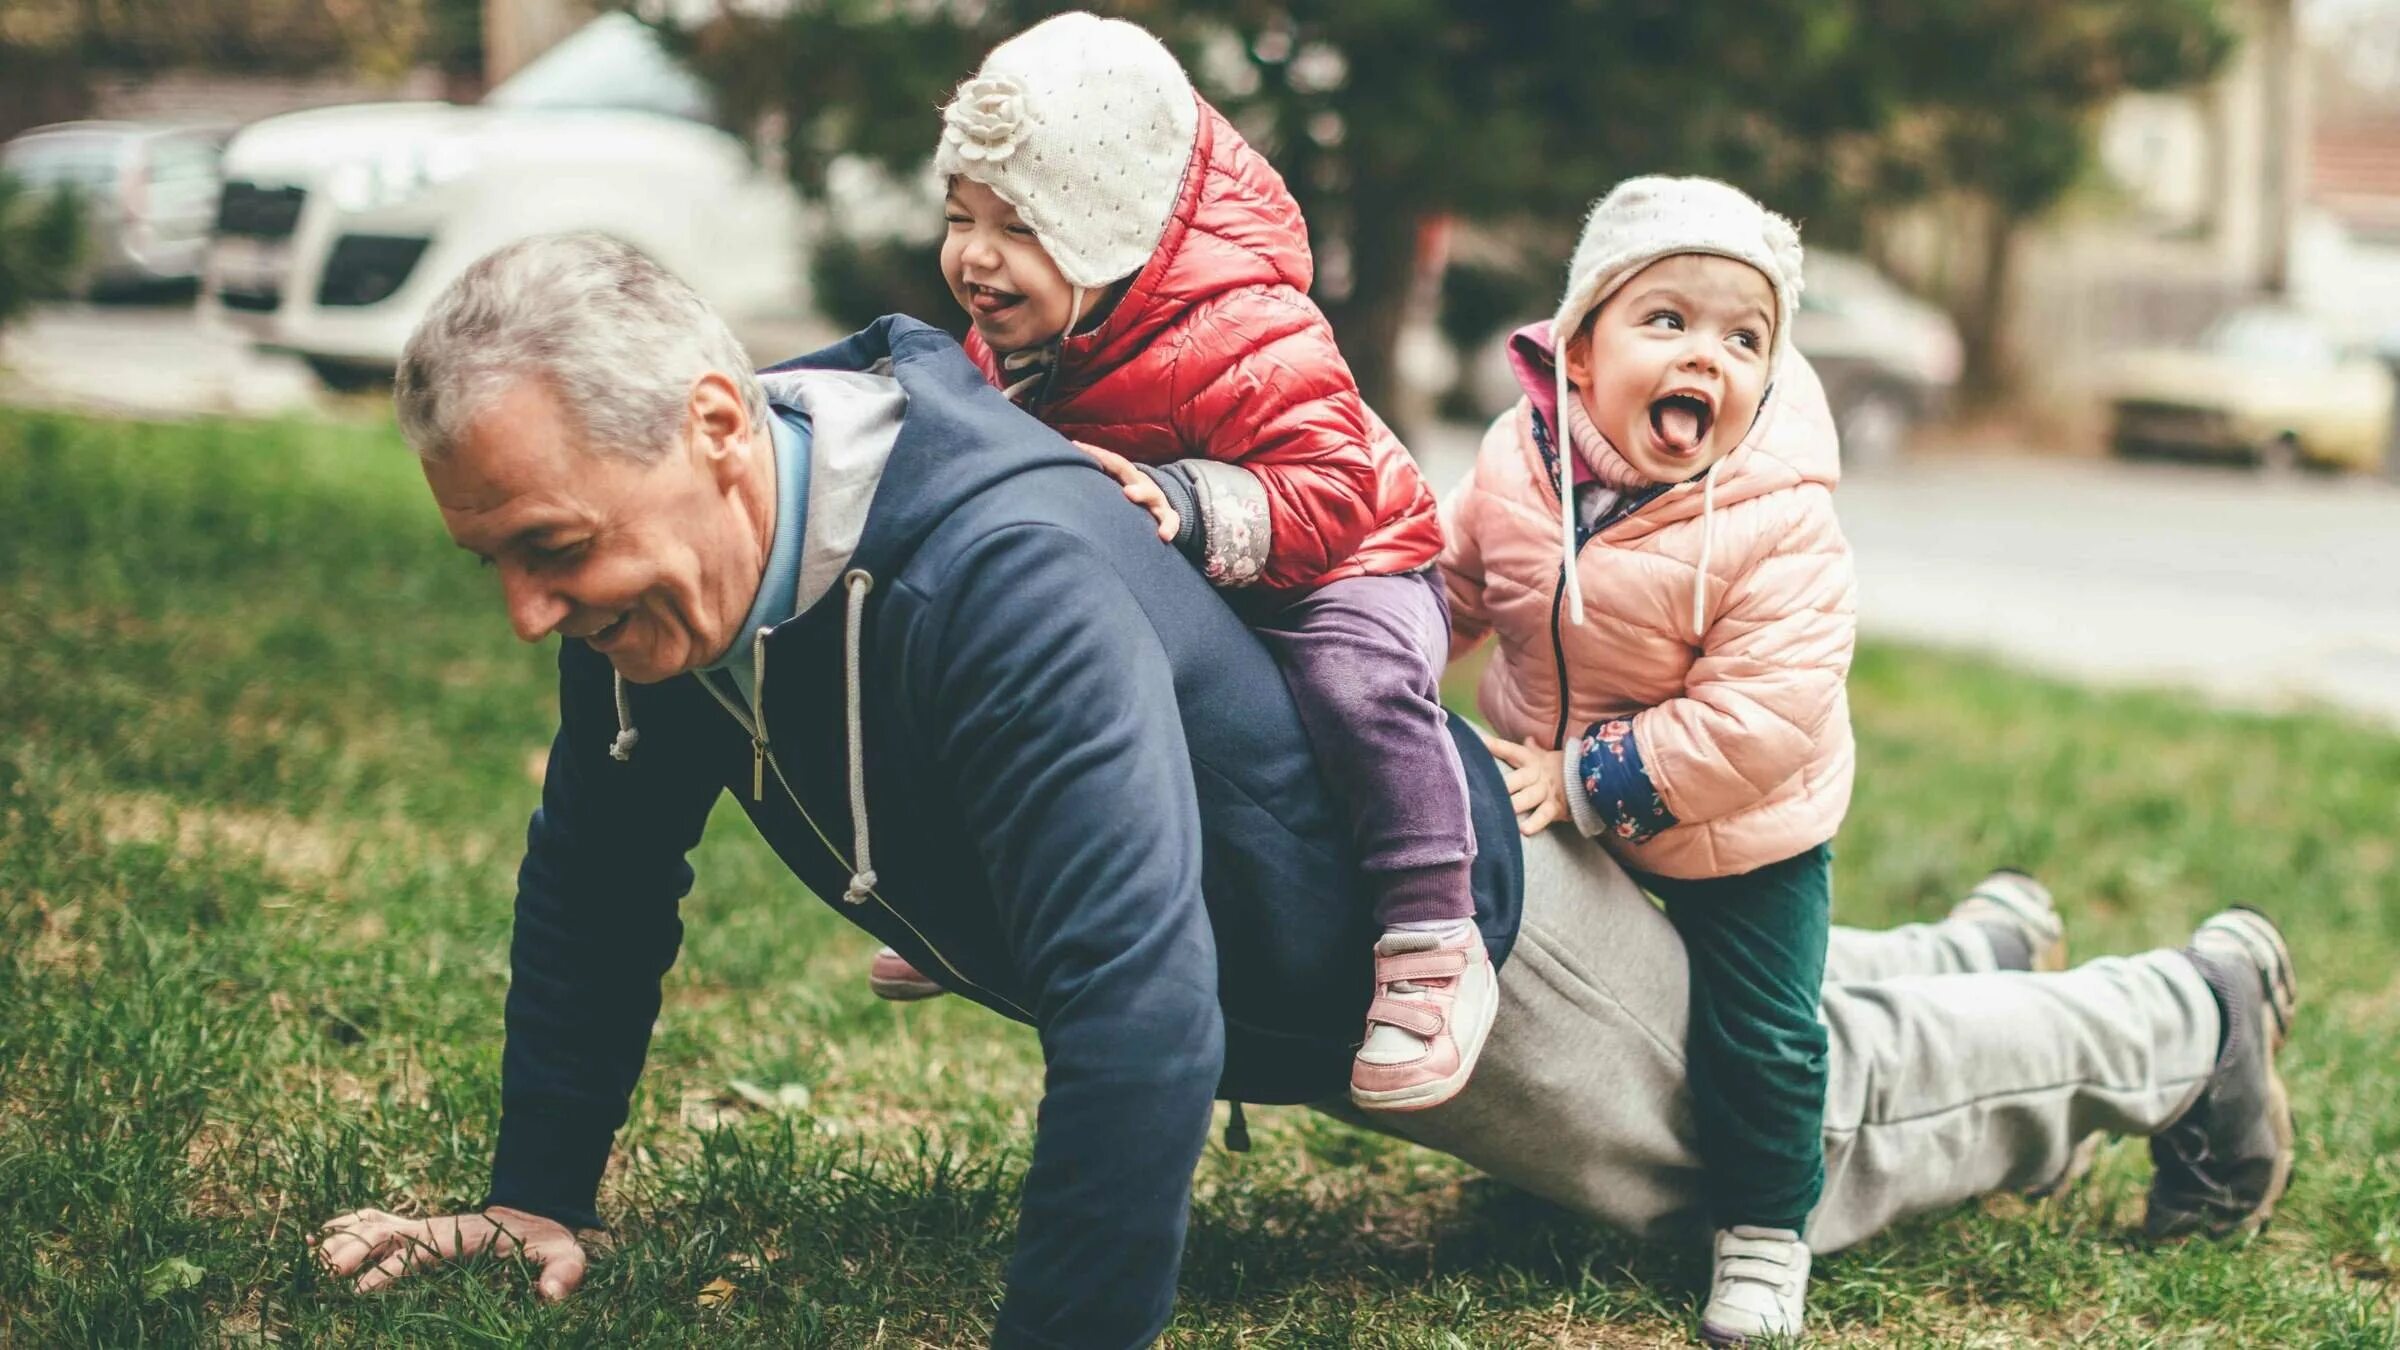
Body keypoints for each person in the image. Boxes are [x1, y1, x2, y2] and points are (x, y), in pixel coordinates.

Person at [312, 233, 2301, 1350]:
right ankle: (1961, 950)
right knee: (1773, 1028)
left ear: (721, 429)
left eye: (552, 550)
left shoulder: (981, 569)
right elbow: (598, 869)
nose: (525, 610)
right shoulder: (668, 577)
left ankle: (2185, 1021)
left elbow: (1140, 1017)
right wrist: (533, 1197)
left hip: (1436, 942)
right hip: (1330, 938)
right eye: (495, 557)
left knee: (1802, 1134)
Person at [873, 11, 1493, 1113]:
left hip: (1344, 560)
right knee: (1030, 673)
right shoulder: (1025, 338)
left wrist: (1195, 502)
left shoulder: (1253, 329)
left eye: (1018, 226)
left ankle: (1434, 934)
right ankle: (992, 894)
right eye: (961, 214)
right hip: (1186, 568)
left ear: (1111, 229)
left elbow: (1336, 487)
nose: (974, 255)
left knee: (1356, 686)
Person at [1439, 174, 1851, 1341]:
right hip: (1549, 772)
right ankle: (1544, 1155)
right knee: (1541, 973)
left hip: (1741, 823)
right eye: (1665, 321)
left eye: (1744, 336)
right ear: (1576, 351)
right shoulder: (1518, 465)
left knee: (1760, 1030)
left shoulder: (1780, 517)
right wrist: (1386, 655)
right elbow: (1459, 585)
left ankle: (1767, 1228)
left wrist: (1582, 782)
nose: (1705, 356)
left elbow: (1762, 715)